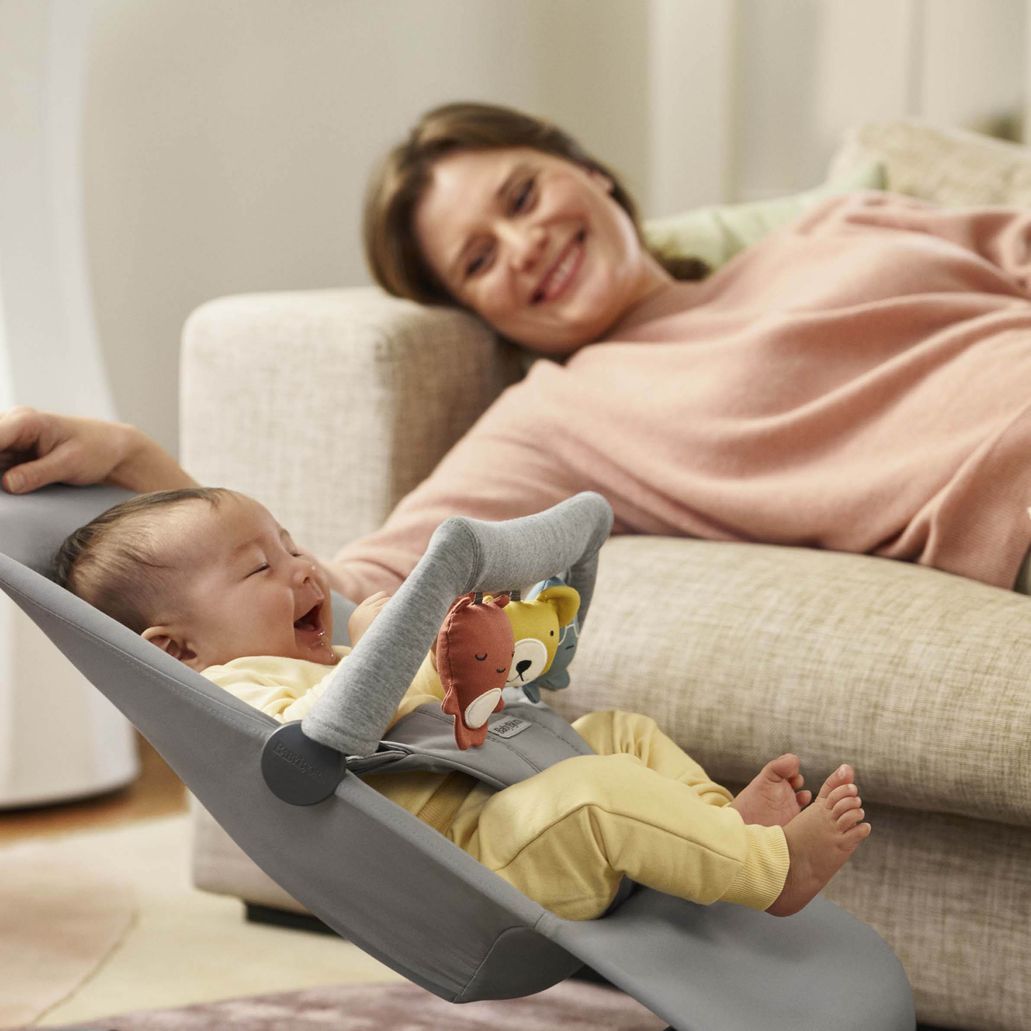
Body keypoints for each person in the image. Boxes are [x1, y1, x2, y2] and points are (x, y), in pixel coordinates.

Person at [5, 100, 1031, 596]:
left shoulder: (838, 225)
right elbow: (346, 596)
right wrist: (141, 471)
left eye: (524, 195)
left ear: (587, 170)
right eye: (478, 259)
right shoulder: (559, 417)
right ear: (477, 311)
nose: (525, 245)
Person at [54, 485, 870, 921]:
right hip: (479, 859)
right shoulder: (235, 692)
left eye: (291, 545)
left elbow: (450, 703)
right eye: (256, 569)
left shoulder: (331, 656)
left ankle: (724, 826)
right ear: (177, 650)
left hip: (511, 784)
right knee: (594, 797)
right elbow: (331, 730)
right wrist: (390, 640)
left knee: (622, 734)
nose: (303, 571)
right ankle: (774, 871)